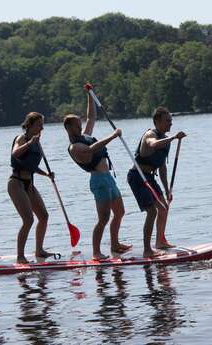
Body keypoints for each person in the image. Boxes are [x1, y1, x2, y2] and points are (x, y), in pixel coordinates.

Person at [63, 86, 131, 260]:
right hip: (98, 181)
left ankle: (115, 245)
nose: (81, 127)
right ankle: (96, 252)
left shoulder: (84, 135)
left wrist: (90, 96)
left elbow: (91, 117)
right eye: (77, 125)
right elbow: (92, 149)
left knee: (120, 212)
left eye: (80, 124)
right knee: (103, 218)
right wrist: (113, 135)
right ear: (70, 128)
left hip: (108, 178)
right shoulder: (75, 147)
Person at [127, 107, 186, 257]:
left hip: (150, 177)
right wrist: (173, 137)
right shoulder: (151, 134)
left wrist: (167, 190)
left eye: (171, 121)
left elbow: (162, 166)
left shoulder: (166, 142)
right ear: (157, 122)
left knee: (164, 208)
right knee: (152, 211)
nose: (170, 124)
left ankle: (160, 241)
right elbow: (153, 144)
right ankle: (147, 250)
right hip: (137, 176)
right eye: (167, 121)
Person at [8, 112, 56, 264]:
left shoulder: (37, 141)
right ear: (29, 125)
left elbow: (32, 166)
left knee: (43, 216)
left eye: (42, 124)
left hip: (29, 183)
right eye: (39, 124)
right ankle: (20, 256)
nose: (42, 127)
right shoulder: (22, 138)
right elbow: (15, 153)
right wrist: (30, 143)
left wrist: (47, 174)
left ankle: (39, 250)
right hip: (16, 182)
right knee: (28, 219)